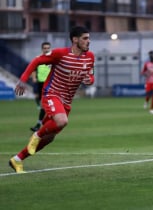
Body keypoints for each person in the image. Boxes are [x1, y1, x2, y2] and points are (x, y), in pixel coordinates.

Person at [9, 26, 95, 173]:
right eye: (85, 38)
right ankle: (37, 134)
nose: (89, 41)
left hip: (67, 101)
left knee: (49, 138)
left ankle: (17, 159)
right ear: (75, 40)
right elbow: (36, 61)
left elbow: (91, 76)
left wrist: (90, 80)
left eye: (89, 38)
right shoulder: (60, 54)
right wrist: (23, 79)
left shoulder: (90, 57)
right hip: (52, 94)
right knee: (61, 122)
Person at [30, 42, 52, 132]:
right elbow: (33, 69)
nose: (46, 49)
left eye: (48, 48)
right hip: (41, 83)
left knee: (46, 105)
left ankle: (40, 125)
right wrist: (34, 77)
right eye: (45, 48)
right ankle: (42, 124)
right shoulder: (38, 59)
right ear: (42, 49)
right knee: (44, 105)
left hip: (51, 84)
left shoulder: (53, 59)